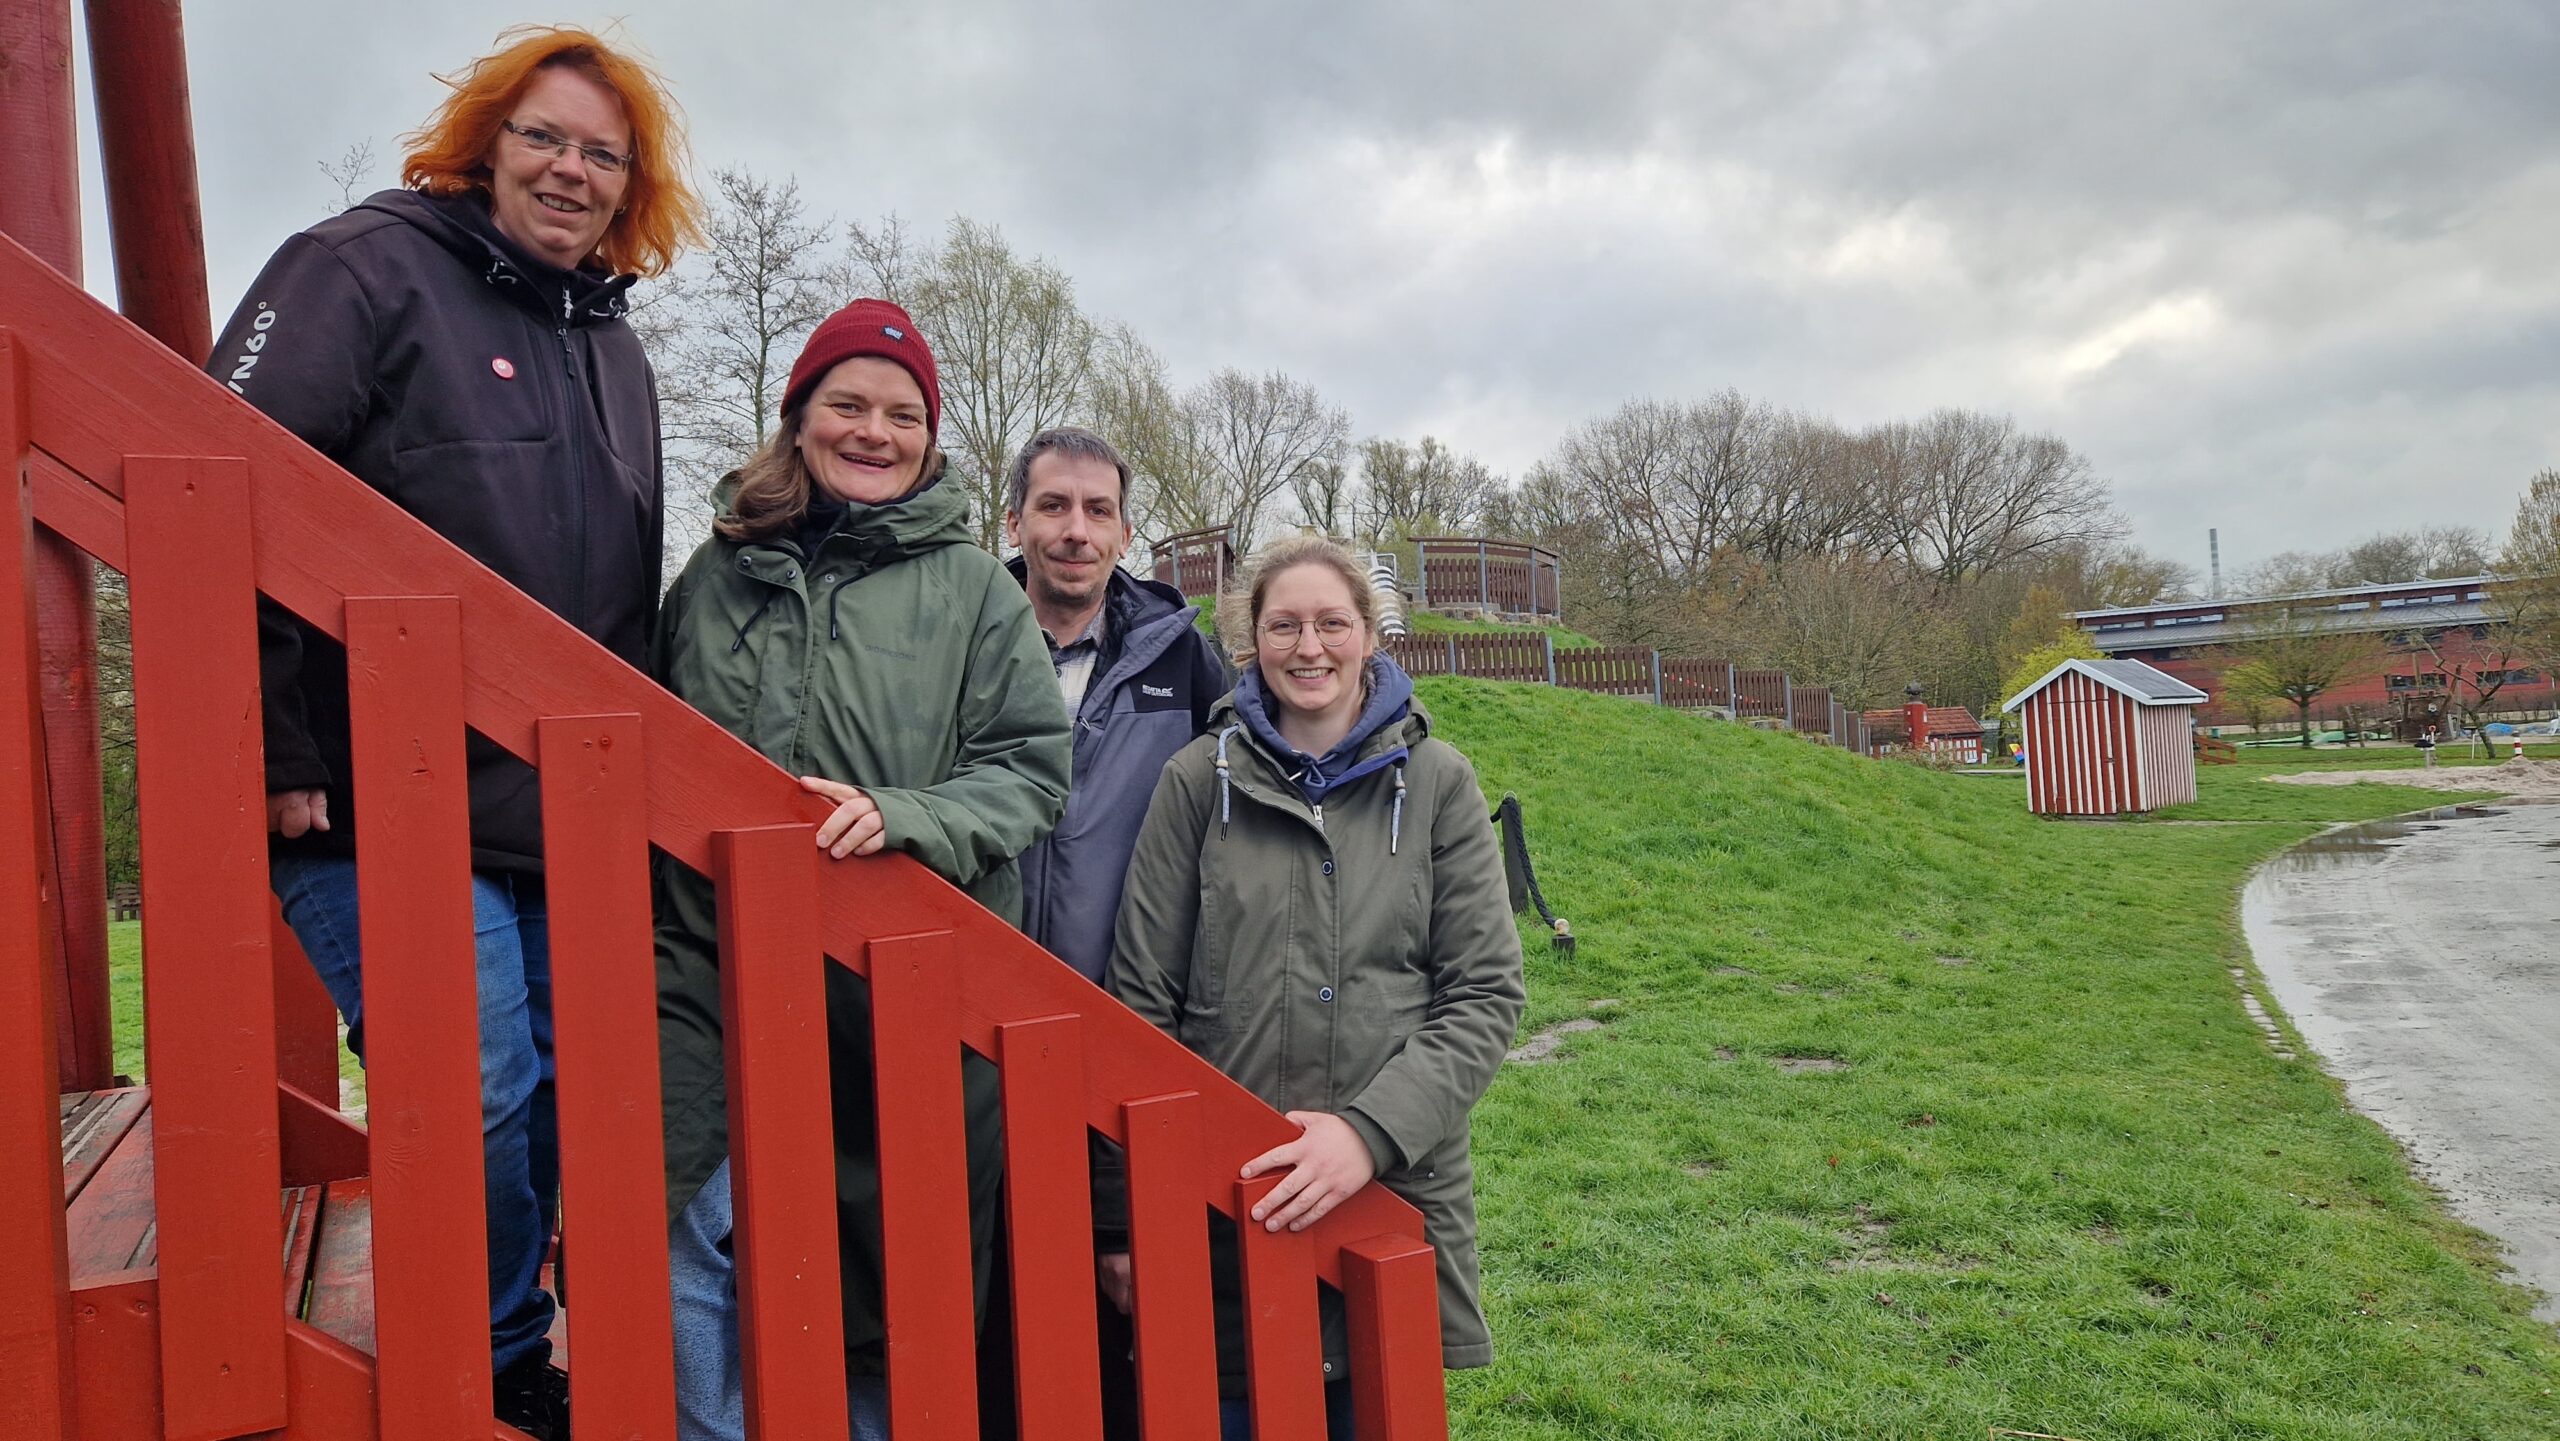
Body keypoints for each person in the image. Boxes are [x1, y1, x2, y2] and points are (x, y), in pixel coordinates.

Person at [210, 26, 701, 1439]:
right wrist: (272, 749)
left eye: (603, 154)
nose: (571, 170)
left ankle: (506, 1346)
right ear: (486, 139)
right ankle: (473, 1366)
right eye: (545, 137)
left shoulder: (612, 346)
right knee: (469, 1079)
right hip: (372, 790)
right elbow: (209, 484)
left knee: (562, 1105)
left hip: (555, 815)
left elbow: (616, 604)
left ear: (631, 186)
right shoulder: (357, 268)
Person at [653, 299, 1073, 1441]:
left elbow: (1031, 771)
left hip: (895, 1001)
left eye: (901, 414)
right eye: (847, 403)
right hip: (709, 974)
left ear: (931, 439)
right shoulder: (714, 574)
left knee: (888, 1292)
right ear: (799, 418)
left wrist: (903, 814)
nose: (873, 431)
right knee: (690, 1236)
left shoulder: (977, 590)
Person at [1101, 536, 1525, 1437]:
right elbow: (1138, 1005)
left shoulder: (1441, 783)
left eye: (1333, 623)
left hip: (1390, 1200)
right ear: (1251, 640)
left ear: (1370, 636)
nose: (1310, 647)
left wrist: (1368, 1136)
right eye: (1283, 625)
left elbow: (1485, 994)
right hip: (1222, 1207)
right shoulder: (1193, 782)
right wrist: (1125, 1215)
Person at [997, 427, 1227, 1437]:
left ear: (1125, 530)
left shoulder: (1183, 661)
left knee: (1121, 1328)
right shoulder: (963, 634)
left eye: (1096, 511)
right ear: (1013, 522)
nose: (1074, 531)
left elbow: (1274, 762)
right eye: (1053, 507)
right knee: (984, 1324)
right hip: (970, 1019)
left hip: (1123, 1026)